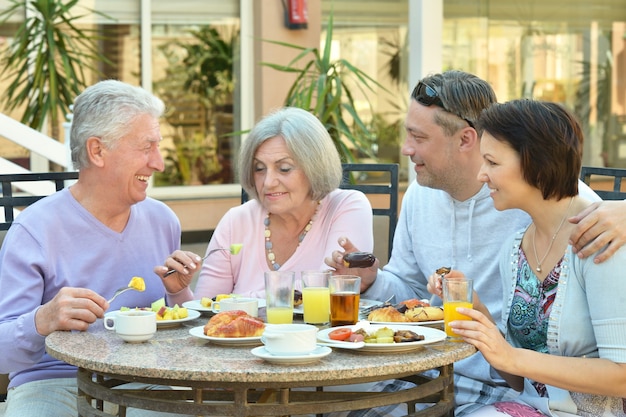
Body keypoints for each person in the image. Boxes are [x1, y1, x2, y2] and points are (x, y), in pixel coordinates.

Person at [325, 70, 626, 415]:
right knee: (343, 400)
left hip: (509, 392)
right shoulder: (516, 248)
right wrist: (377, 282)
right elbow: (411, 292)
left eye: (418, 136)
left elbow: (619, 372)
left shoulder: (589, 228)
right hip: (458, 373)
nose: (406, 149)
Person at [0, 79, 199, 417]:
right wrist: (42, 318)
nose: (159, 163)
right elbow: (3, 353)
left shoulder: (162, 220)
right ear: (97, 151)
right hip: (52, 383)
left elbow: (182, 338)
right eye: (146, 147)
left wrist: (179, 294)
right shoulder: (34, 230)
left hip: (144, 382)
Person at [427, 99, 626, 416]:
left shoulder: (599, 239)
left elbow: (622, 376)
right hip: (525, 407)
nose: (481, 175)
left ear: (535, 162)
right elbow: (518, 380)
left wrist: (510, 356)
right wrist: (476, 310)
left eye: (492, 162)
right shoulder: (515, 249)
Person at [194, 106, 373, 298]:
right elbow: (203, 309)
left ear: (315, 167)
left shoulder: (347, 206)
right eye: (259, 168)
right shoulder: (235, 221)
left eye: (285, 168)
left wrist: (237, 302)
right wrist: (178, 291)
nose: (268, 182)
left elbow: (329, 288)